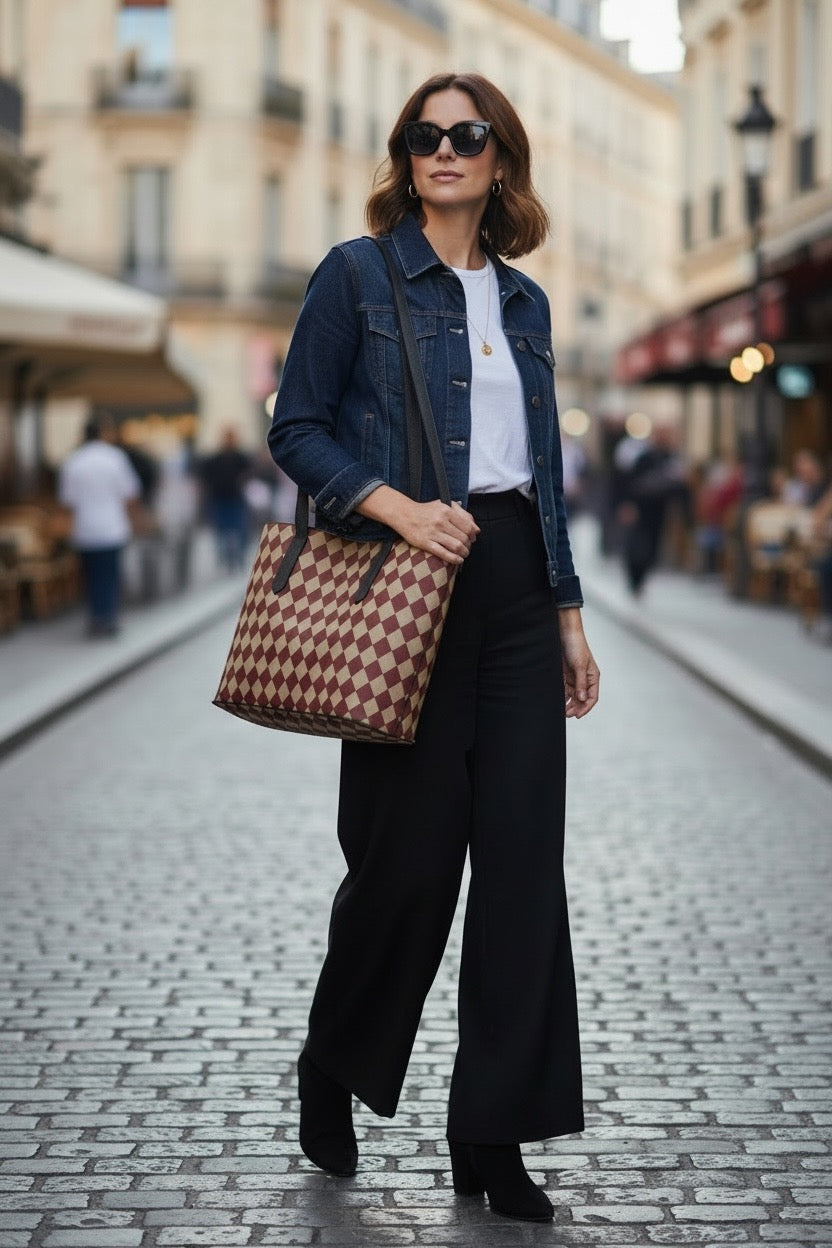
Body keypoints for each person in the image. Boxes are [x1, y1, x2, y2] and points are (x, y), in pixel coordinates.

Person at [268, 72, 599, 1224]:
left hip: (513, 590)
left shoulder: (525, 303)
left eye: (467, 134)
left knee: (521, 869)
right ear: (404, 156)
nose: (444, 149)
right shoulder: (355, 276)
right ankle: (333, 1057)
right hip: (403, 583)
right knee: (403, 866)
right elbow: (295, 428)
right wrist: (398, 509)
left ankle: (490, 1136)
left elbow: (542, 473)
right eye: (423, 135)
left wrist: (565, 614)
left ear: (500, 157)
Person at [58, 414, 142, 636]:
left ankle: (96, 616)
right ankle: (107, 617)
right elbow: (130, 493)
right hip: (112, 527)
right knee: (109, 575)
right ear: (103, 433)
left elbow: (67, 500)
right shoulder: (115, 458)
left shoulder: (73, 460)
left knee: (91, 576)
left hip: (84, 528)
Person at [198, 428, 251, 571]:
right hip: (219, 499)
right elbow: (204, 481)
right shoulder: (213, 460)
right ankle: (223, 560)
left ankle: (237, 558)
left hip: (236, 499)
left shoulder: (242, 459)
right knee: (220, 532)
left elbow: (249, 476)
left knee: (239, 531)